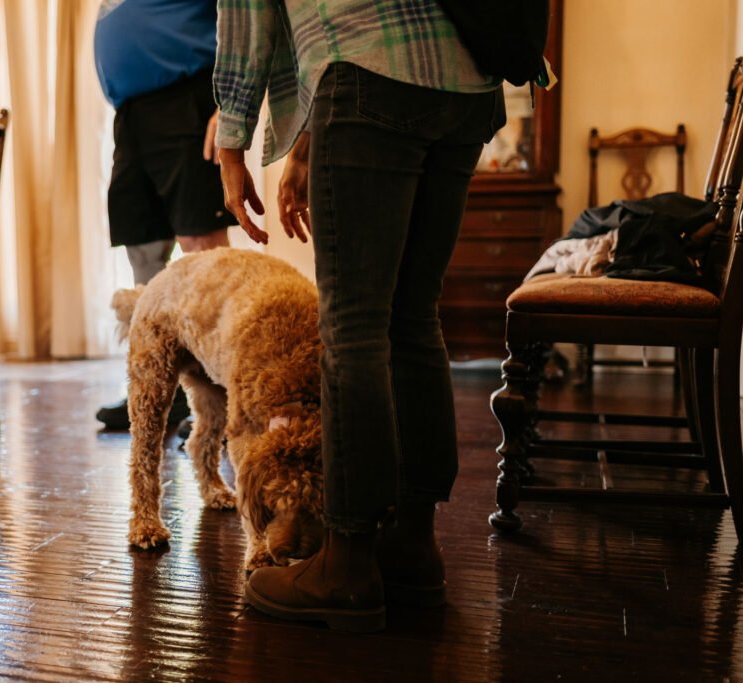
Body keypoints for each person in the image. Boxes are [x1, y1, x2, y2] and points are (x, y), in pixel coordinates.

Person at [214, 0, 506, 631]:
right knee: (412, 315)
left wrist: (231, 136)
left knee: (353, 326)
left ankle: (346, 564)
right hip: (468, 83)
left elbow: (247, 11)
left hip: (367, 67)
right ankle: (412, 549)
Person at [93, 0, 236, 430]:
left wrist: (228, 102)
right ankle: (159, 389)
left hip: (188, 97)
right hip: (132, 111)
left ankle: (227, 396)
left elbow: (241, 15)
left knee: (203, 253)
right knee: (144, 249)